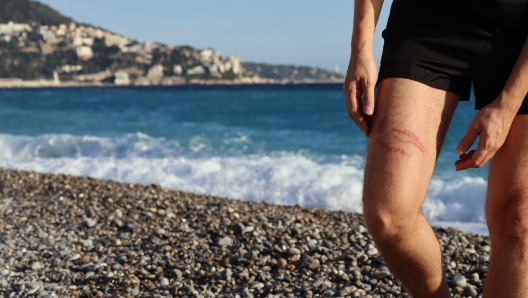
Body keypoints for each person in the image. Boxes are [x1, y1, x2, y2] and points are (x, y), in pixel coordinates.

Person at [344, 0, 528, 297]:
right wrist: (360, 48)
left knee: (519, 221)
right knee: (389, 215)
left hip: (521, 34)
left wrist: (507, 106)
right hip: (427, 22)